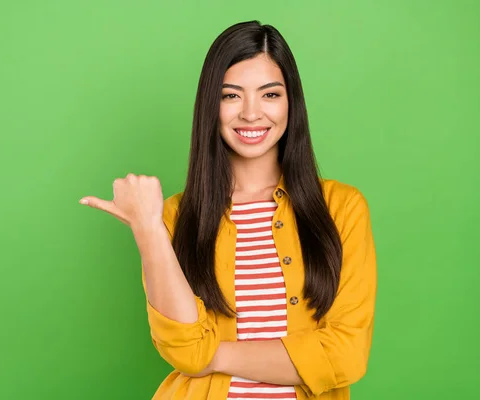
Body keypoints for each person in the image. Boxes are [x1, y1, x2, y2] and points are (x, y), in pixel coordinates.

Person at [80, 20, 377, 400]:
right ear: (211, 105)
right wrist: (148, 230)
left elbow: (345, 355)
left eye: (270, 95)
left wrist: (212, 354)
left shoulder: (342, 209)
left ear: (292, 103)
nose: (251, 114)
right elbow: (181, 346)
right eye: (231, 96)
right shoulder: (176, 216)